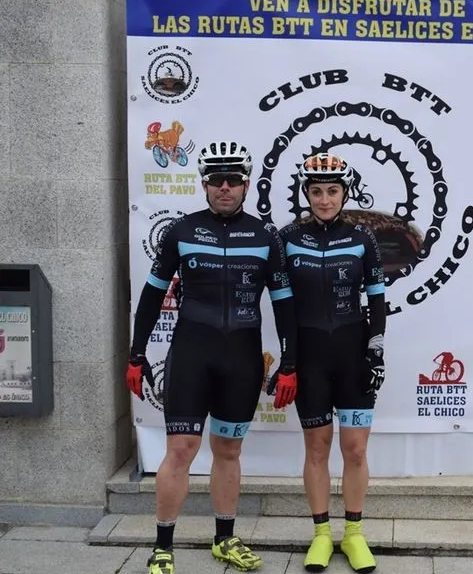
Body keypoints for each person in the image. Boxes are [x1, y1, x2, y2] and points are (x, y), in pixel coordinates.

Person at [126, 141, 299, 574]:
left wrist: (289, 363)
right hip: (191, 355)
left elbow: (284, 305)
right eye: (217, 180)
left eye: (233, 180)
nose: (225, 187)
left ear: (246, 184)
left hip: (241, 359)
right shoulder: (181, 231)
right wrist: (136, 354)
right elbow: (151, 296)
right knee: (181, 450)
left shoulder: (265, 237)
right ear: (204, 183)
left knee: (228, 450)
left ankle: (225, 539)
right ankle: (162, 547)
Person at [270, 152, 386, 573]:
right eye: (316, 191)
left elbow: (377, 300)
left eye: (332, 191)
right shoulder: (287, 238)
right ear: (306, 194)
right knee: (316, 448)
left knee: (355, 449)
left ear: (345, 193)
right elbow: (282, 306)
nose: (324, 200)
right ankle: (321, 534)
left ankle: (353, 534)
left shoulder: (362, 236)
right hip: (310, 358)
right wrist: (288, 361)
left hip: (352, 356)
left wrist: (375, 351)